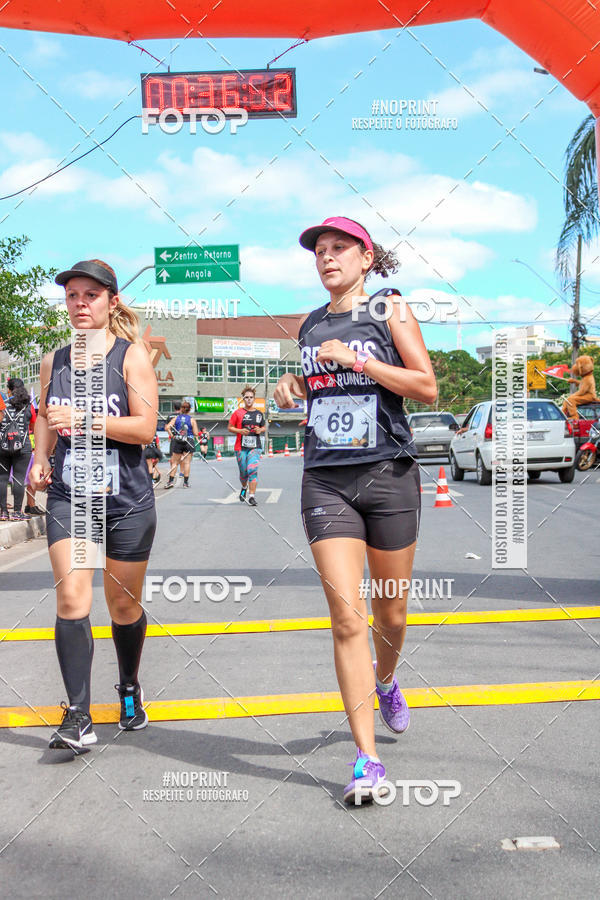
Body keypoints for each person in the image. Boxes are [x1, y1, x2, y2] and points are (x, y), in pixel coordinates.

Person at [274, 217, 436, 805]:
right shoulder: (311, 325)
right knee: (348, 619)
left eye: (339, 248)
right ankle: (366, 758)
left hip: (389, 474)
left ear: (367, 258)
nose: (326, 257)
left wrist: (362, 362)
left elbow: (426, 387)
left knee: (390, 616)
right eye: (319, 250)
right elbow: (317, 389)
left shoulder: (389, 310)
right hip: (326, 479)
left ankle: (388, 679)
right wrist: (293, 382)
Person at [30, 259, 158, 751]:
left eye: (90, 295)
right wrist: (40, 458)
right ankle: (78, 715)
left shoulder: (131, 357)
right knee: (71, 600)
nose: (80, 304)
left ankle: (128, 685)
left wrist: (84, 419)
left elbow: (144, 430)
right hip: (70, 497)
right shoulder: (54, 361)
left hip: (126, 498)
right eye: (72, 296)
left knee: (122, 606)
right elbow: (46, 416)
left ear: (111, 301)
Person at [0, 378, 34, 521]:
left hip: (3, 445)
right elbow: (33, 426)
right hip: (23, 446)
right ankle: (17, 512)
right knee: (19, 479)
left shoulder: (3, 405)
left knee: (2, 478)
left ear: (9, 390)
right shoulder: (29, 405)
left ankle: (3, 512)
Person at [228, 386, 266, 506]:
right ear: (243, 399)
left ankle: (252, 497)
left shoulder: (259, 414)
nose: (249, 399)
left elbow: (264, 427)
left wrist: (260, 430)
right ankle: (244, 487)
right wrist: (240, 431)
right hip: (240, 447)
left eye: (251, 397)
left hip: (256, 447)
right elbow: (229, 427)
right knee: (243, 473)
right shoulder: (237, 413)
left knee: (252, 469)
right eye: (247, 397)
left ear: (254, 399)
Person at [164, 400, 198, 488]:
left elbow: (167, 427)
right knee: (187, 463)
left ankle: (170, 481)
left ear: (181, 409)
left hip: (178, 440)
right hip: (188, 441)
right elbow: (196, 433)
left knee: (174, 462)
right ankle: (185, 483)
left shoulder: (176, 418)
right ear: (189, 410)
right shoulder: (192, 420)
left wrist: (172, 435)